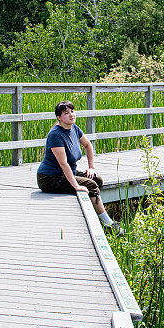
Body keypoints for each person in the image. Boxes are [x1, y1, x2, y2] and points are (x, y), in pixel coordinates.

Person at [37, 100, 124, 235]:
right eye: (66, 113)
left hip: (67, 173)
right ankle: (108, 224)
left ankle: (95, 212)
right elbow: (63, 163)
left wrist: (91, 168)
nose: (71, 115)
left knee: (97, 179)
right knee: (90, 185)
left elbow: (88, 145)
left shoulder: (74, 129)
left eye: (72, 111)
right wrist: (77, 186)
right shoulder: (56, 135)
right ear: (59, 117)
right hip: (50, 178)